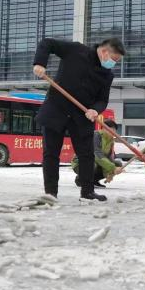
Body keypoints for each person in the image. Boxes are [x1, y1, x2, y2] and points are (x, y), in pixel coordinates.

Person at [32, 37, 125, 202]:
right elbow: (47, 43)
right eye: (114, 59)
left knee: (87, 155)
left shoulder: (107, 75)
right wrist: (40, 63)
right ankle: (50, 193)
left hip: (82, 116)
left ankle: (87, 192)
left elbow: (102, 100)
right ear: (104, 52)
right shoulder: (76, 50)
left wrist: (95, 110)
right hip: (56, 109)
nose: (114, 64)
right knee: (51, 153)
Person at [72, 119, 123, 188]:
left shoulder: (110, 140)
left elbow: (108, 158)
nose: (113, 132)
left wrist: (109, 174)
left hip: (97, 161)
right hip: (81, 162)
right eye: (111, 129)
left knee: (117, 164)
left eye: (114, 130)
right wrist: (113, 168)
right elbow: (97, 155)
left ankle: (94, 180)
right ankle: (81, 179)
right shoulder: (96, 135)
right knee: (92, 164)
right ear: (104, 128)